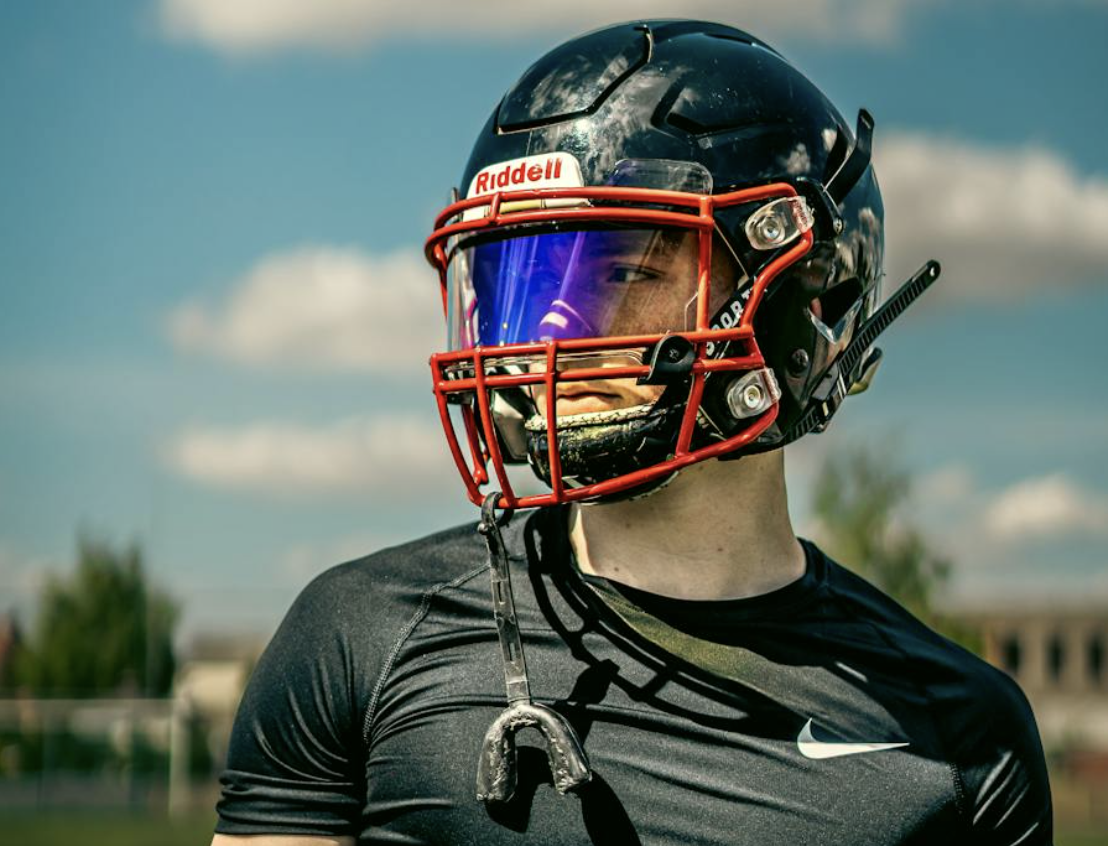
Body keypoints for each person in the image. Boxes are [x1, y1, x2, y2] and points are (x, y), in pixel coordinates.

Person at [212, 19, 1053, 845]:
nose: (548, 326)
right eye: (529, 276)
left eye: (623, 269)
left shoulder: (964, 738)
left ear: (807, 301)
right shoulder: (358, 637)